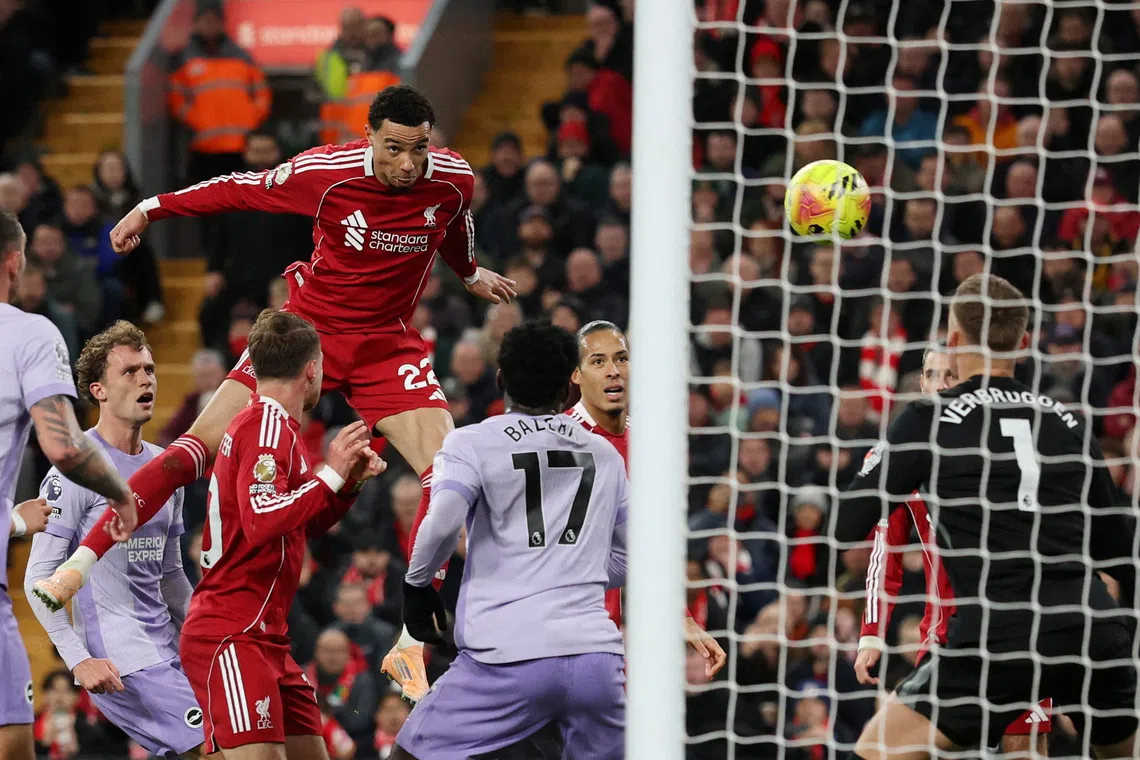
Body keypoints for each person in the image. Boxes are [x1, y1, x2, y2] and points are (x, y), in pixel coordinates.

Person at [34, 84, 515, 705]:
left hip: (385, 343)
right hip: (304, 333)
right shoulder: (327, 173)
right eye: (394, 148)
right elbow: (240, 187)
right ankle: (79, 565)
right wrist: (153, 207)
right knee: (193, 450)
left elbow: (453, 224)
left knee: (449, 474)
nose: (406, 164)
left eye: (418, 149)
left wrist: (469, 273)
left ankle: (410, 642)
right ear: (369, 137)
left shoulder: (451, 179)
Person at [836, 273, 1138, 758]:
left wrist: (885, 457)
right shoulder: (1068, 422)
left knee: (878, 748)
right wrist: (1124, 645)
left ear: (952, 342)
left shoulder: (928, 420)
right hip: (1091, 630)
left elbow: (847, 524)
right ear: (1023, 342)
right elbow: (1121, 556)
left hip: (998, 635)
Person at [393, 320, 627, 760]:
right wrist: (581, 569)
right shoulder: (605, 453)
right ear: (569, 389)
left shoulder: (472, 442)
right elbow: (634, 554)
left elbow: (443, 521)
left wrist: (417, 585)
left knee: (410, 754)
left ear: (501, 379)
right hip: (595, 661)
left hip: (504, 659)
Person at [177, 310, 386, 759]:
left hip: (268, 635)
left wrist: (347, 481)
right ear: (312, 368)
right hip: (233, 632)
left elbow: (297, 519)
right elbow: (262, 520)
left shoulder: (270, 426)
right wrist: (329, 474)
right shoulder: (267, 426)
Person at [855, 340, 1051, 755]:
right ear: (921, 383)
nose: (941, 385)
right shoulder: (901, 455)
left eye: (952, 375)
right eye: (932, 375)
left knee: (1025, 747)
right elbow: (883, 555)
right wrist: (872, 634)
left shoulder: (1012, 444)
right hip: (945, 638)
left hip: (1020, 633)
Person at [23, 321, 204, 758]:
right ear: (98, 390)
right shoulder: (75, 469)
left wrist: (205, 633)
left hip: (170, 649)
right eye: (131, 372)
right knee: (220, 748)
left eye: (151, 369)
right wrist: (77, 660)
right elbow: (39, 578)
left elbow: (171, 574)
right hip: (120, 663)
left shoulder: (166, 467)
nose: (146, 379)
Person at [0, 209, 135, 760]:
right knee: (12, 743)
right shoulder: (27, 333)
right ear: (15, 262)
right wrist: (123, 494)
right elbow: (63, 446)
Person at [569, 319, 727, 678]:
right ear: (575, 375)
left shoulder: (654, 447)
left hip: (627, 649)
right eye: (598, 361)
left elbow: (653, 545)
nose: (613, 371)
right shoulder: (556, 440)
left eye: (622, 359)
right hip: (562, 638)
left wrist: (683, 619)